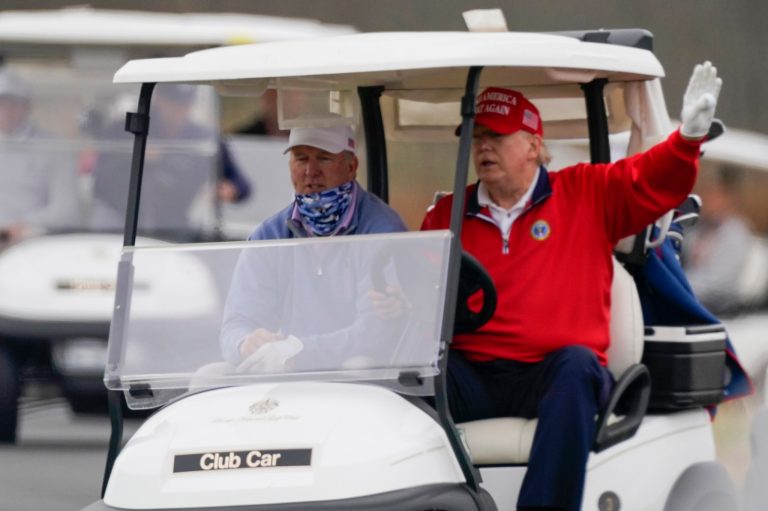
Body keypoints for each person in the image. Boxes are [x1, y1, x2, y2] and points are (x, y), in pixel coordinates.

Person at [420, 62, 722, 511]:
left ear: (533, 144)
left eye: (496, 136)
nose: (483, 146)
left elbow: (649, 180)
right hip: (473, 375)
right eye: (476, 136)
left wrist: (686, 141)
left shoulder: (586, 192)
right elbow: (420, 295)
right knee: (410, 381)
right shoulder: (447, 215)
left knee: (577, 366)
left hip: (552, 377)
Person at [219, 124, 407, 368]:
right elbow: (236, 323)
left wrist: (299, 352)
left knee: (359, 367)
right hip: (282, 366)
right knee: (211, 375)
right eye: (301, 158)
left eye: (324, 158)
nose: (311, 171)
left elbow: (374, 332)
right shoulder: (268, 234)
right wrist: (245, 342)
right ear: (290, 166)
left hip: (344, 370)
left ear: (351, 167)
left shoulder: (383, 230)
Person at [89, 83, 250, 233]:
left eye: (185, 104)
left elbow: (242, 186)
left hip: (174, 226)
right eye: (173, 103)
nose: (178, 110)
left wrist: (230, 190)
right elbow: (99, 183)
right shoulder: (126, 129)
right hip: (122, 221)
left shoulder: (203, 138)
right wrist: (134, 159)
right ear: (159, 99)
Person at [0, 68, 81, 243]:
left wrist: (26, 225)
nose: (5, 111)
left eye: (12, 103)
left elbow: (67, 209)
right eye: (1, 103)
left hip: (35, 243)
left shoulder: (55, 147)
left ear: (27, 106)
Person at [683, 165, 759, 314]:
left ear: (729, 199)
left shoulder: (735, 234)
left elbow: (717, 285)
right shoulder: (698, 228)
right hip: (691, 300)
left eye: (714, 195)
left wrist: (674, 285)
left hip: (716, 312)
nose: (706, 200)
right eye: (706, 193)